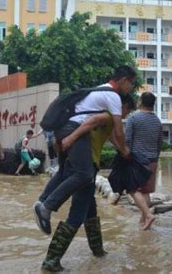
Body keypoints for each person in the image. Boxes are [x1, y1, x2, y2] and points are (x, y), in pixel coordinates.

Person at [33, 65, 136, 237]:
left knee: (69, 176)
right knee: (84, 175)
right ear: (124, 80)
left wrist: (120, 147)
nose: (130, 87)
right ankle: (46, 208)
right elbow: (118, 131)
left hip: (64, 128)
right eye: (131, 83)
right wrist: (125, 150)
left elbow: (110, 133)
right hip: (74, 129)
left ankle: (97, 252)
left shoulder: (101, 90)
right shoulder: (113, 97)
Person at [39, 95, 136, 272]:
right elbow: (89, 124)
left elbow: (114, 139)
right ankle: (51, 261)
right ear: (123, 106)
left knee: (90, 211)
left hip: (87, 166)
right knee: (77, 214)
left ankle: (98, 251)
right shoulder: (106, 115)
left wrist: (125, 152)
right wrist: (70, 138)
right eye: (128, 111)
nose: (125, 115)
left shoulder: (108, 122)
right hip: (85, 166)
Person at [124, 92, 163, 231]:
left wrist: (125, 157)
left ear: (140, 102)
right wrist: (156, 158)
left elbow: (127, 140)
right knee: (145, 191)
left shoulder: (133, 118)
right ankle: (143, 222)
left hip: (137, 160)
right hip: (152, 159)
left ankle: (148, 215)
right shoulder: (157, 121)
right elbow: (159, 143)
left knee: (132, 188)